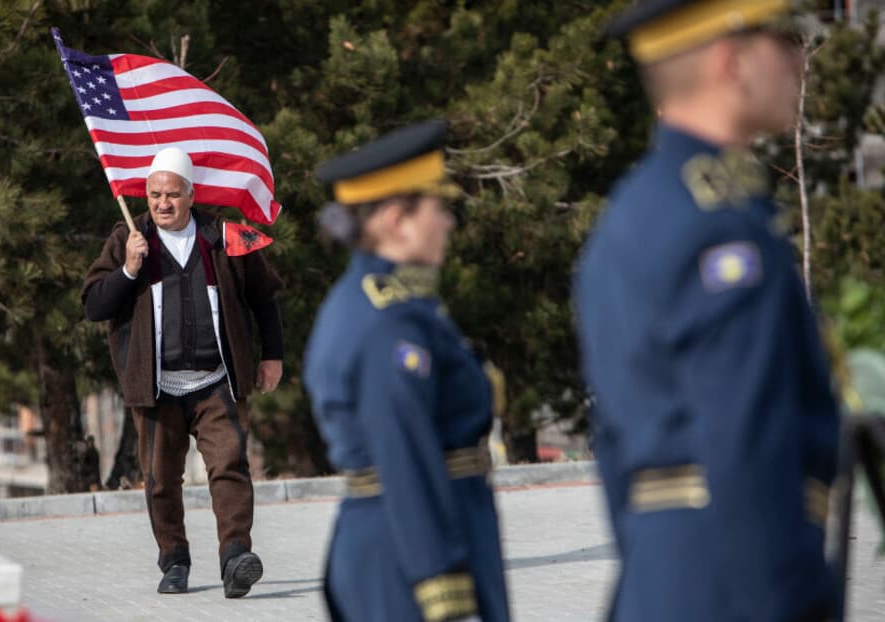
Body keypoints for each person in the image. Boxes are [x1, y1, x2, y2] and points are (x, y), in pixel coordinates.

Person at [575, 1, 840, 620]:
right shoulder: (718, 227)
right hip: (741, 579)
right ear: (732, 62)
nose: (798, 61)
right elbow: (746, 439)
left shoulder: (634, 211)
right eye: (781, 41)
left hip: (666, 575)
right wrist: (786, 598)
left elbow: (616, 444)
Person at [304, 120, 510, 622]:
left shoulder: (384, 303)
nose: (449, 223)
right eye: (438, 208)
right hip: (407, 553)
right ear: (397, 220)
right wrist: (441, 586)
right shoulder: (389, 324)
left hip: (397, 539)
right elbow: (403, 452)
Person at [81, 147, 284, 598]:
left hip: (217, 380)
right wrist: (128, 269)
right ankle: (174, 561)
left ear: (191, 195)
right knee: (160, 479)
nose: (163, 203)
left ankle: (235, 558)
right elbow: (94, 305)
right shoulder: (128, 237)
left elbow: (265, 297)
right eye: (155, 195)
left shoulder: (225, 236)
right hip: (157, 387)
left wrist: (272, 356)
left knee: (230, 466)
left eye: (173, 194)